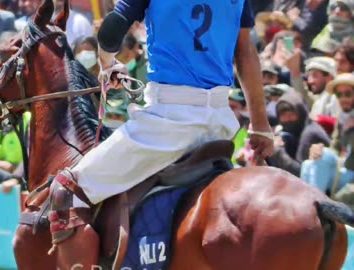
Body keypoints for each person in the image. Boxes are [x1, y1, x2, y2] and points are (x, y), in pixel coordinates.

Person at [48, 0, 275, 266]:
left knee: (66, 188)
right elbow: (245, 52)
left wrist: (107, 63)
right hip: (220, 124)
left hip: (168, 121)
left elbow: (111, 31)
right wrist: (260, 125)